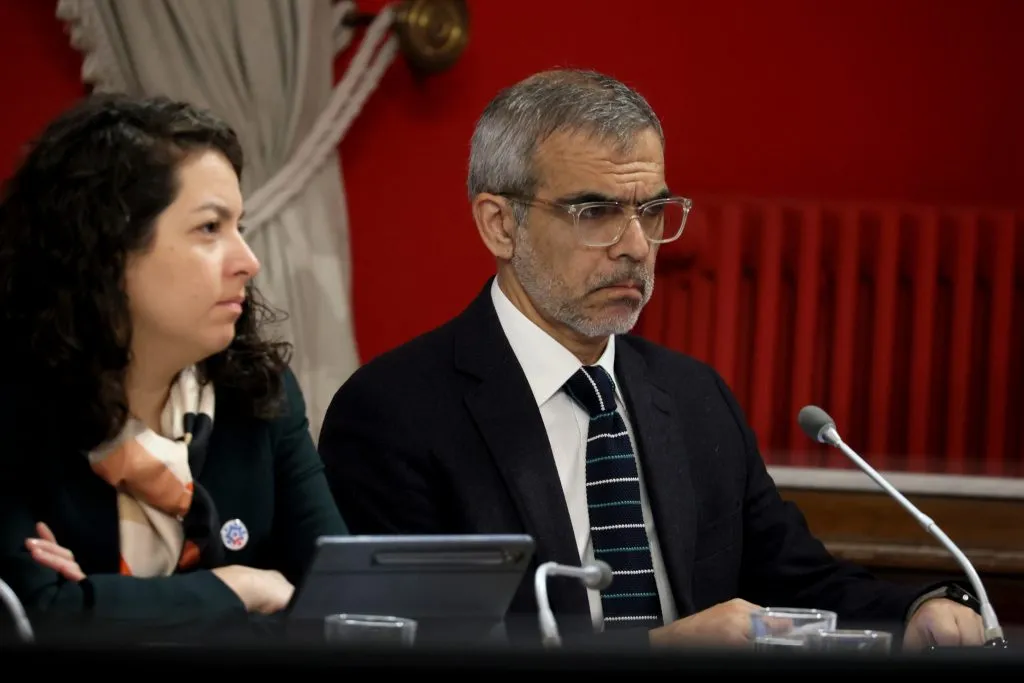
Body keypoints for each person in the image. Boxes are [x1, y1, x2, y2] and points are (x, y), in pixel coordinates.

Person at [317, 69, 984, 650]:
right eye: (597, 211)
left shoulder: (694, 398)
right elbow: (420, 645)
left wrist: (918, 609)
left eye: (653, 209)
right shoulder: (396, 414)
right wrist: (655, 649)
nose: (636, 245)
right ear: (500, 223)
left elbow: (796, 577)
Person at [0, 94, 347, 643]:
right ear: (107, 249)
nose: (247, 261)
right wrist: (241, 589)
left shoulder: (260, 397)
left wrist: (101, 607)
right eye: (210, 229)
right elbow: (35, 619)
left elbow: (337, 608)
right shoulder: (13, 413)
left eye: (240, 226)